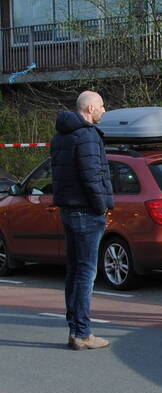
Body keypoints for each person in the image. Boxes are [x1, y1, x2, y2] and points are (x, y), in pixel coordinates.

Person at [52, 91, 114, 351]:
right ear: (89, 108)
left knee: (75, 272)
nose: (104, 110)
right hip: (86, 211)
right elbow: (92, 175)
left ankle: (75, 329)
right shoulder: (87, 136)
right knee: (86, 272)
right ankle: (82, 333)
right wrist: (102, 207)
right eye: (101, 106)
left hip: (68, 209)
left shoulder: (61, 135)